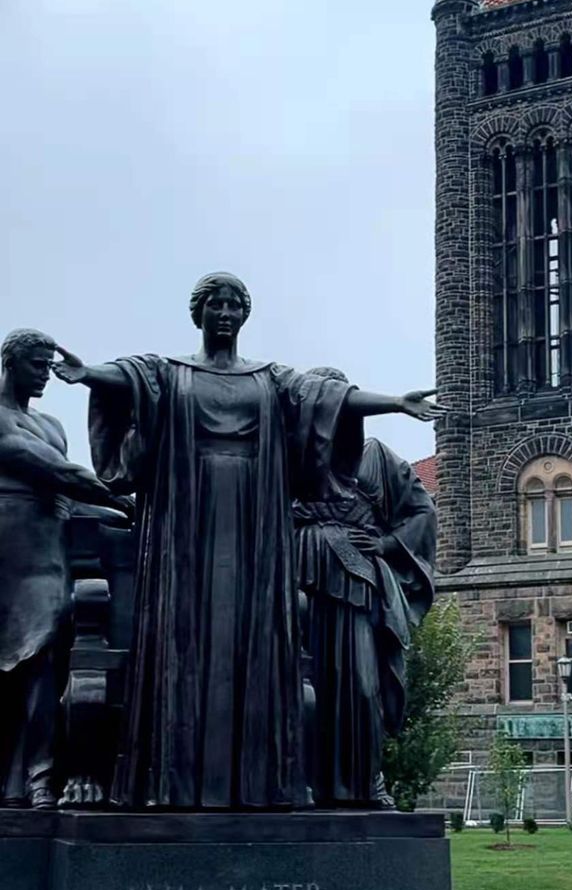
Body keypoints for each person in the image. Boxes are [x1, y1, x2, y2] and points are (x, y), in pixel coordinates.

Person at [53, 273, 438, 810]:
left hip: (255, 530)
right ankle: (172, 782)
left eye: (235, 305)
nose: (226, 313)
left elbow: (326, 396)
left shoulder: (271, 380)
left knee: (253, 640)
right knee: (183, 637)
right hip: (185, 524)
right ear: (199, 313)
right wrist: (86, 373)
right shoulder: (172, 372)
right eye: (216, 304)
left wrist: (395, 402)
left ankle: (260, 782)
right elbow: (130, 377)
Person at [294, 367, 436, 808]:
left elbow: (422, 512)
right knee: (300, 684)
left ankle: (365, 779)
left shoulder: (375, 457)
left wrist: (387, 543)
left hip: (356, 587)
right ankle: (301, 781)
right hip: (298, 584)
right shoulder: (291, 460)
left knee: (362, 685)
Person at [0, 329, 126, 807]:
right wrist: (121, 498)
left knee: (46, 656)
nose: (43, 376)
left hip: (51, 546)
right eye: (36, 366)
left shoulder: (52, 425)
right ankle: (24, 779)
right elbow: (59, 472)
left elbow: (71, 493)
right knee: (18, 660)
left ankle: (38, 777)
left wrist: (127, 513)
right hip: (12, 543)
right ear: (10, 363)